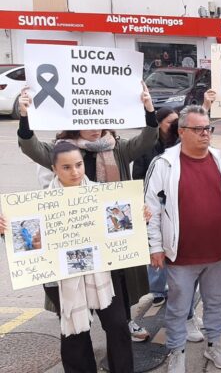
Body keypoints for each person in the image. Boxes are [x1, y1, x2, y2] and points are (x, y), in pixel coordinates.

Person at [16, 84, 156, 343]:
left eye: (101, 122)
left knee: (118, 287)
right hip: (75, 237)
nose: (95, 128)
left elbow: (147, 139)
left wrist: (148, 109)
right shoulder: (61, 151)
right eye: (89, 123)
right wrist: (24, 116)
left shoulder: (117, 147)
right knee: (78, 299)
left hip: (110, 236)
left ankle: (123, 323)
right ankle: (79, 330)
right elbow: (30, 146)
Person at [0, 142, 135, 372]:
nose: (75, 172)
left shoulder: (104, 195)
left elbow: (123, 228)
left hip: (102, 275)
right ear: (54, 169)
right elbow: (27, 243)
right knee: (74, 333)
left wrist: (140, 216)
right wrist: (6, 230)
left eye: (79, 165)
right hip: (60, 280)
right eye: (66, 167)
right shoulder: (39, 204)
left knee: (118, 326)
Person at [145, 105, 221, 373]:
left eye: (208, 128)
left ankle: (214, 345)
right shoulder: (164, 164)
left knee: (214, 303)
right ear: (182, 131)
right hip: (181, 256)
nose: (205, 134)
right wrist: (155, 247)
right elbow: (150, 209)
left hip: (218, 254)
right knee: (177, 309)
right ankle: (177, 352)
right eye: (198, 129)